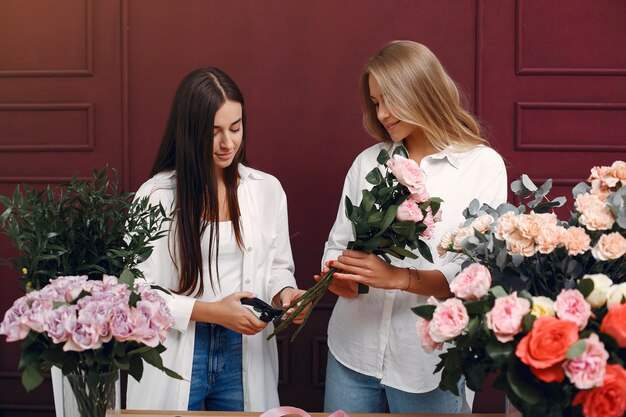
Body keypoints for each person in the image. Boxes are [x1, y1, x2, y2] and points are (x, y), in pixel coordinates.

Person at [317, 41, 508, 413]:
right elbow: (338, 243)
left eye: (391, 100)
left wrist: (399, 277)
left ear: (422, 92)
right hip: (352, 354)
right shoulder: (368, 163)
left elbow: (476, 274)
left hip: (429, 365)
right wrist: (341, 278)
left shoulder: (483, 166)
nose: (383, 113)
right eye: (375, 103)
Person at [126, 67, 305, 412]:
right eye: (214, 132)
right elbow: (135, 290)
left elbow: (278, 268)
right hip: (178, 352)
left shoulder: (266, 190)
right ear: (190, 132)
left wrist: (286, 295)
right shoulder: (156, 195)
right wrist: (212, 312)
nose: (228, 143)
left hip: (245, 351)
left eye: (235, 128)